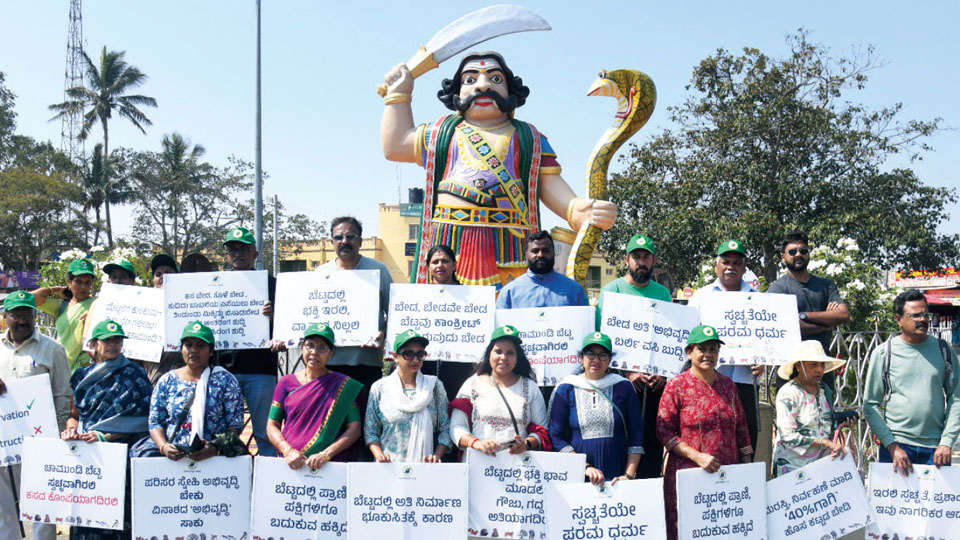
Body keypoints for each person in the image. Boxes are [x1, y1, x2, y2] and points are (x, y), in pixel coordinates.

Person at [381, 51, 617, 288]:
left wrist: (575, 209)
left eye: (495, 79)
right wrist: (399, 95)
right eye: (470, 80)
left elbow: (549, 183)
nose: (483, 86)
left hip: (508, 240)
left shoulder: (529, 138)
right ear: (456, 91)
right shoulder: (442, 133)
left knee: (508, 305)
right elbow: (395, 146)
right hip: (451, 240)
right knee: (449, 306)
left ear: (510, 90)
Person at [657, 325, 753, 540]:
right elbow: (664, 431)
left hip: (726, 474)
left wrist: (747, 471)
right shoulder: (676, 386)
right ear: (689, 352)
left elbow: (742, 429)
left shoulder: (728, 385)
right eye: (702, 349)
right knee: (688, 530)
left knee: (723, 530)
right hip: (689, 474)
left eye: (713, 349)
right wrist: (697, 456)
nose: (708, 354)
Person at [62, 320, 151, 540]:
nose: (113, 345)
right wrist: (71, 431)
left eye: (117, 340)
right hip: (87, 455)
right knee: (87, 514)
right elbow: (74, 416)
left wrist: (106, 435)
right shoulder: (81, 376)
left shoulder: (136, 375)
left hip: (120, 455)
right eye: (107, 340)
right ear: (94, 344)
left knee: (118, 515)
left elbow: (144, 421)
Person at [596, 234, 672, 479]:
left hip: (653, 385)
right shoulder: (611, 291)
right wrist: (627, 372)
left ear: (654, 260)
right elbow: (603, 340)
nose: (641, 261)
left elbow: (667, 339)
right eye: (636, 256)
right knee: (621, 439)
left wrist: (662, 373)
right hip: (620, 382)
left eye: (646, 257)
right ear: (627, 259)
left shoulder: (663, 293)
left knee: (651, 442)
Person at [863, 290, 960, 476]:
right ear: (899, 319)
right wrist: (891, 445)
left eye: (926, 314)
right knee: (894, 505)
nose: (923, 319)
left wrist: (947, 442)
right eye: (915, 315)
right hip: (897, 448)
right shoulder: (884, 353)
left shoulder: (943, 350)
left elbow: (956, 398)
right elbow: (870, 405)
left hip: (937, 449)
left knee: (936, 505)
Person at [0, 290, 71, 540]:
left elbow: (63, 396)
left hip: (41, 442)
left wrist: (60, 436)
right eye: (16, 315)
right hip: (4, 445)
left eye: (27, 314)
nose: (22, 321)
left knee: (42, 509)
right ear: (5, 316)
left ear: (35, 315)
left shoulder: (53, 349)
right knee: (4, 509)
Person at [687, 239, 763, 451]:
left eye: (737, 263)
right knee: (710, 436)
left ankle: (744, 482)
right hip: (707, 380)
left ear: (744, 268)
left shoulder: (757, 299)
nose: (731, 267)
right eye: (726, 261)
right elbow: (689, 337)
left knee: (746, 439)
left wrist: (764, 361)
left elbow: (767, 339)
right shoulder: (701, 297)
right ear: (716, 265)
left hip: (745, 380)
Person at [549, 332, 643, 485]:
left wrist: (629, 476)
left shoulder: (623, 386)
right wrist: (584, 467)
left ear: (610, 359)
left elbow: (636, 433)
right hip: (579, 473)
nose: (596, 360)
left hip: (618, 475)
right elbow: (556, 436)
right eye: (590, 354)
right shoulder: (567, 388)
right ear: (581, 358)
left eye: (603, 355)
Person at [216, 226, 278, 456]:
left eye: (244, 248)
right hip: (223, 370)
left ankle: (269, 483)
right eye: (233, 249)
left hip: (260, 370)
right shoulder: (215, 285)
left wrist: (275, 317)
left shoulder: (272, 285)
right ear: (227, 254)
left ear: (256, 253)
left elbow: (288, 326)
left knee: (265, 432)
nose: (238, 253)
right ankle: (225, 481)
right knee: (222, 433)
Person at [268, 323, 363, 469]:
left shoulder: (343, 386)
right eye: (310, 345)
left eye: (322, 348)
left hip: (329, 464)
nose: (314, 352)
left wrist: (326, 454)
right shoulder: (286, 383)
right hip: (290, 462)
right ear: (301, 348)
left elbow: (354, 428)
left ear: (331, 354)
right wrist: (287, 450)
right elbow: (272, 425)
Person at [149, 321, 245, 462]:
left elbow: (235, 423)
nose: (193, 350)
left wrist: (215, 448)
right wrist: (163, 446)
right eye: (189, 345)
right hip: (174, 461)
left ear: (211, 351)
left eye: (200, 346)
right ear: (181, 349)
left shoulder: (225, 381)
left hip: (216, 460)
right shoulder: (167, 381)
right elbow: (155, 421)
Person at [450, 325, 549, 457]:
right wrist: (477, 443)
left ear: (517, 357)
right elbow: (456, 427)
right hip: (478, 463)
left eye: (510, 352)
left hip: (517, 468)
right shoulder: (471, 384)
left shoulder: (531, 388)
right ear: (489, 354)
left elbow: (542, 431)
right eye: (498, 351)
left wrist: (526, 444)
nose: (503, 357)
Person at [319, 217, 393, 391]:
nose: (344, 241)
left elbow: (396, 311)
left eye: (350, 237)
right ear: (332, 242)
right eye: (339, 237)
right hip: (329, 362)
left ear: (360, 241)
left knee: (362, 415)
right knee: (332, 417)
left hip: (366, 362)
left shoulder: (378, 270)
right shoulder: (321, 273)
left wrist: (384, 332)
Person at [768, 231, 850, 389]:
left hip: (822, 365)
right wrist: (826, 322)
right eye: (792, 252)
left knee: (825, 412)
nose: (798, 254)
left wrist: (804, 316)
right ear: (783, 256)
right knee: (792, 413)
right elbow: (788, 328)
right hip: (791, 368)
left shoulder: (826, 285)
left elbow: (843, 314)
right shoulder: (778, 289)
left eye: (803, 251)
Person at [365, 330, 452, 463]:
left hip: (425, 467)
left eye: (420, 354)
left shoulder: (434, 386)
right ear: (395, 356)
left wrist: (437, 456)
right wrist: (379, 455)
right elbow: (371, 430)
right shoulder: (380, 388)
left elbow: (446, 428)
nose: (415, 359)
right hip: (388, 468)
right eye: (408, 354)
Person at [772, 341, 849, 477]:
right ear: (799, 366)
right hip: (792, 469)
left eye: (822, 365)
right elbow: (788, 436)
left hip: (820, 467)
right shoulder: (789, 393)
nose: (819, 370)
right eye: (813, 365)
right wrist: (825, 443)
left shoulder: (823, 392)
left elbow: (823, 426)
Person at [419, 244, 474, 404]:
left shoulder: (471, 297)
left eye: (445, 261)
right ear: (428, 267)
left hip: (460, 366)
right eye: (435, 262)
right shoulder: (418, 297)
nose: (440, 265)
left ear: (454, 265)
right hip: (425, 364)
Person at [31, 258, 97, 371]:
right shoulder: (62, 306)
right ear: (69, 282)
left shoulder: (96, 305)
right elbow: (30, 298)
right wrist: (55, 289)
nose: (83, 287)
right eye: (78, 282)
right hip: (59, 367)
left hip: (82, 370)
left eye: (87, 282)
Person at [496, 230, 589, 308]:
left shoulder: (575, 290)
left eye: (546, 251)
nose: (540, 255)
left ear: (553, 253)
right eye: (535, 251)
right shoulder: (509, 292)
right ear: (526, 255)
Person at [148, 253, 183, 384]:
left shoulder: (190, 301)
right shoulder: (143, 303)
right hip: (153, 369)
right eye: (158, 274)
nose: (163, 276)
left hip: (182, 368)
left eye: (168, 272)